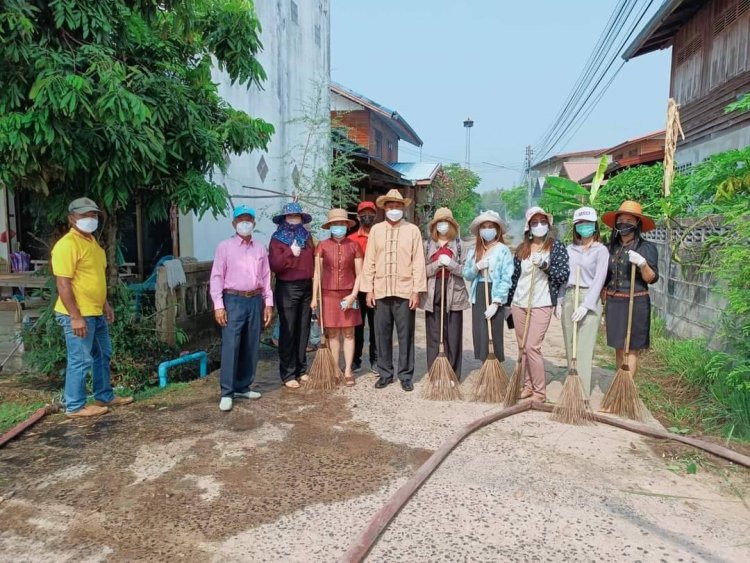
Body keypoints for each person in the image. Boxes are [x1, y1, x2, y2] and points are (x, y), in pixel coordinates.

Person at [51, 197, 133, 417]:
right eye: (84, 215)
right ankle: (75, 406)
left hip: (95, 311)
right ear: (71, 218)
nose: (90, 219)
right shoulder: (67, 245)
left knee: (103, 354)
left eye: (93, 215)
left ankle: (104, 395)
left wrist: (105, 304)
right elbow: (63, 283)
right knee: (80, 359)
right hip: (79, 314)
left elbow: (95, 278)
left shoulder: (93, 244)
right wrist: (75, 316)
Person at [361, 189, 427, 392]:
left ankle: (406, 375)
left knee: (405, 334)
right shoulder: (376, 230)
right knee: (381, 334)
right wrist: (369, 289)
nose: (394, 210)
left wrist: (417, 290)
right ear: (384, 208)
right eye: (390, 206)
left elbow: (418, 262)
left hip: (405, 290)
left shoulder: (412, 230)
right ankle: (385, 373)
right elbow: (369, 261)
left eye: (397, 206)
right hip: (380, 289)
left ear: (403, 208)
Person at [210, 205, 273, 412]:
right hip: (233, 300)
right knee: (231, 345)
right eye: (241, 220)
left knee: (250, 343)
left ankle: (243, 386)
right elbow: (217, 277)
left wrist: (268, 303)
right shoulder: (225, 247)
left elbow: (266, 277)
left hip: (254, 299)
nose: (245, 223)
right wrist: (219, 305)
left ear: (254, 223)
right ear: (234, 223)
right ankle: (227, 391)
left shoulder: (260, 248)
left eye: (248, 220)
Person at [506, 206, 569, 403]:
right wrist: (508, 304)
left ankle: (539, 392)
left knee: (533, 346)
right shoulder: (521, 249)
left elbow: (563, 274)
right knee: (522, 346)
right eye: (535, 223)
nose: (539, 226)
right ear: (528, 227)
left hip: (541, 303)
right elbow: (514, 278)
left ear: (548, 225)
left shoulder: (556, 247)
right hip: (519, 302)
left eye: (542, 222)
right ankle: (527, 386)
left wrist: (545, 266)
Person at [601, 200, 658, 385]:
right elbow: (605, 278)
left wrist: (642, 263)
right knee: (619, 348)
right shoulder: (610, 248)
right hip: (615, 302)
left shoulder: (646, 248)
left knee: (631, 349)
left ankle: (627, 389)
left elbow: (651, 278)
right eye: (621, 219)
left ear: (637, 224)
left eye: (629, 220)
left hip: (637, 301)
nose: (624, 223)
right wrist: (602, 303)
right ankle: (619, 387)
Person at [560, 207, 609, 398]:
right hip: (570, 295)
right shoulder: (569, 249)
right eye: (580, 224)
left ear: (595, 226)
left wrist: (586, 305)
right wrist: (559, 300)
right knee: (569, 345)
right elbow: (564, 277)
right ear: (575, 227)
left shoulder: (601, 250)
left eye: (588, 224)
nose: (584, 227)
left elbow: (599, 280)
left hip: (589, 296)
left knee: (583, 347)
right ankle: (571, 387)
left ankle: (581, 394)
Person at [311, 208, 363, 386]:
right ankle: (335, 369)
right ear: (330, 226)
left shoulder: (354, 246)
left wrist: (353, 296)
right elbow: (317, 274)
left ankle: (348, 370)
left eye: (341, 224)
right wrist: (313, 298)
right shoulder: (322, 246)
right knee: (332, 334)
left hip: (349, 293)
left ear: (347, 226)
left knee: (349, 332)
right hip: (328, 294)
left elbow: (360, 274)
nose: (338, 227)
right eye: (335, 224)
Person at [269, 202, 315, 389]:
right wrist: (290, 252)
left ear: (301, 218)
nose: (294, 219)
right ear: (285, 218)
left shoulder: (307, 236)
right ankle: (288, 373)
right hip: (287, 287)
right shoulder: (277, 239)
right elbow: (275, 265)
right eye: (291, 216)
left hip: (306, 286)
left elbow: (313, 260)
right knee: (288, 330)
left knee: (303, 329)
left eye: (297, 216)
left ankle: (301, 369)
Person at [421, 208, 471, 380]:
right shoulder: (427, 245)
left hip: (454, 292)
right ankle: (435, 373)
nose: (443, 226)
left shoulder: (460, 245)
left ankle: (452, 375)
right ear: (435, 226)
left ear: (451, 225)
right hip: (433, 291)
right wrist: (436, 265)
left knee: (453, 334)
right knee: (434, 334)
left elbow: (467, 271)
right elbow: (422, 271)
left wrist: (451, 264)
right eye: (439, 223)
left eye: (446, 222)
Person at [463, 210, 514, 368]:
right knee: (481, 333)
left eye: (490, 226)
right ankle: (485, 367)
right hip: (479, 292)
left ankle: (495, 367)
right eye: (483, 226)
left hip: (494, 293)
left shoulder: (502, 250)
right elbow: (467, 274)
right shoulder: (474, 250)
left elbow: (507, 278)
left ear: (497, 229)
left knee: (494, 332)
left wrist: (497, 302)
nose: (487, 229)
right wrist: (477, 267)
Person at [349, 201, 378, 374]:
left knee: (376, 326)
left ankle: (375, 360)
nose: (367, 216)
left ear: (375, 216)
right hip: (357, 288)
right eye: (363, 213)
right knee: (356, 325)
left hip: (376, 287)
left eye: (370, 213)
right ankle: (355, 359)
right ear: (358, 216)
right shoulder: (351, 239)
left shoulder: (379, 236)